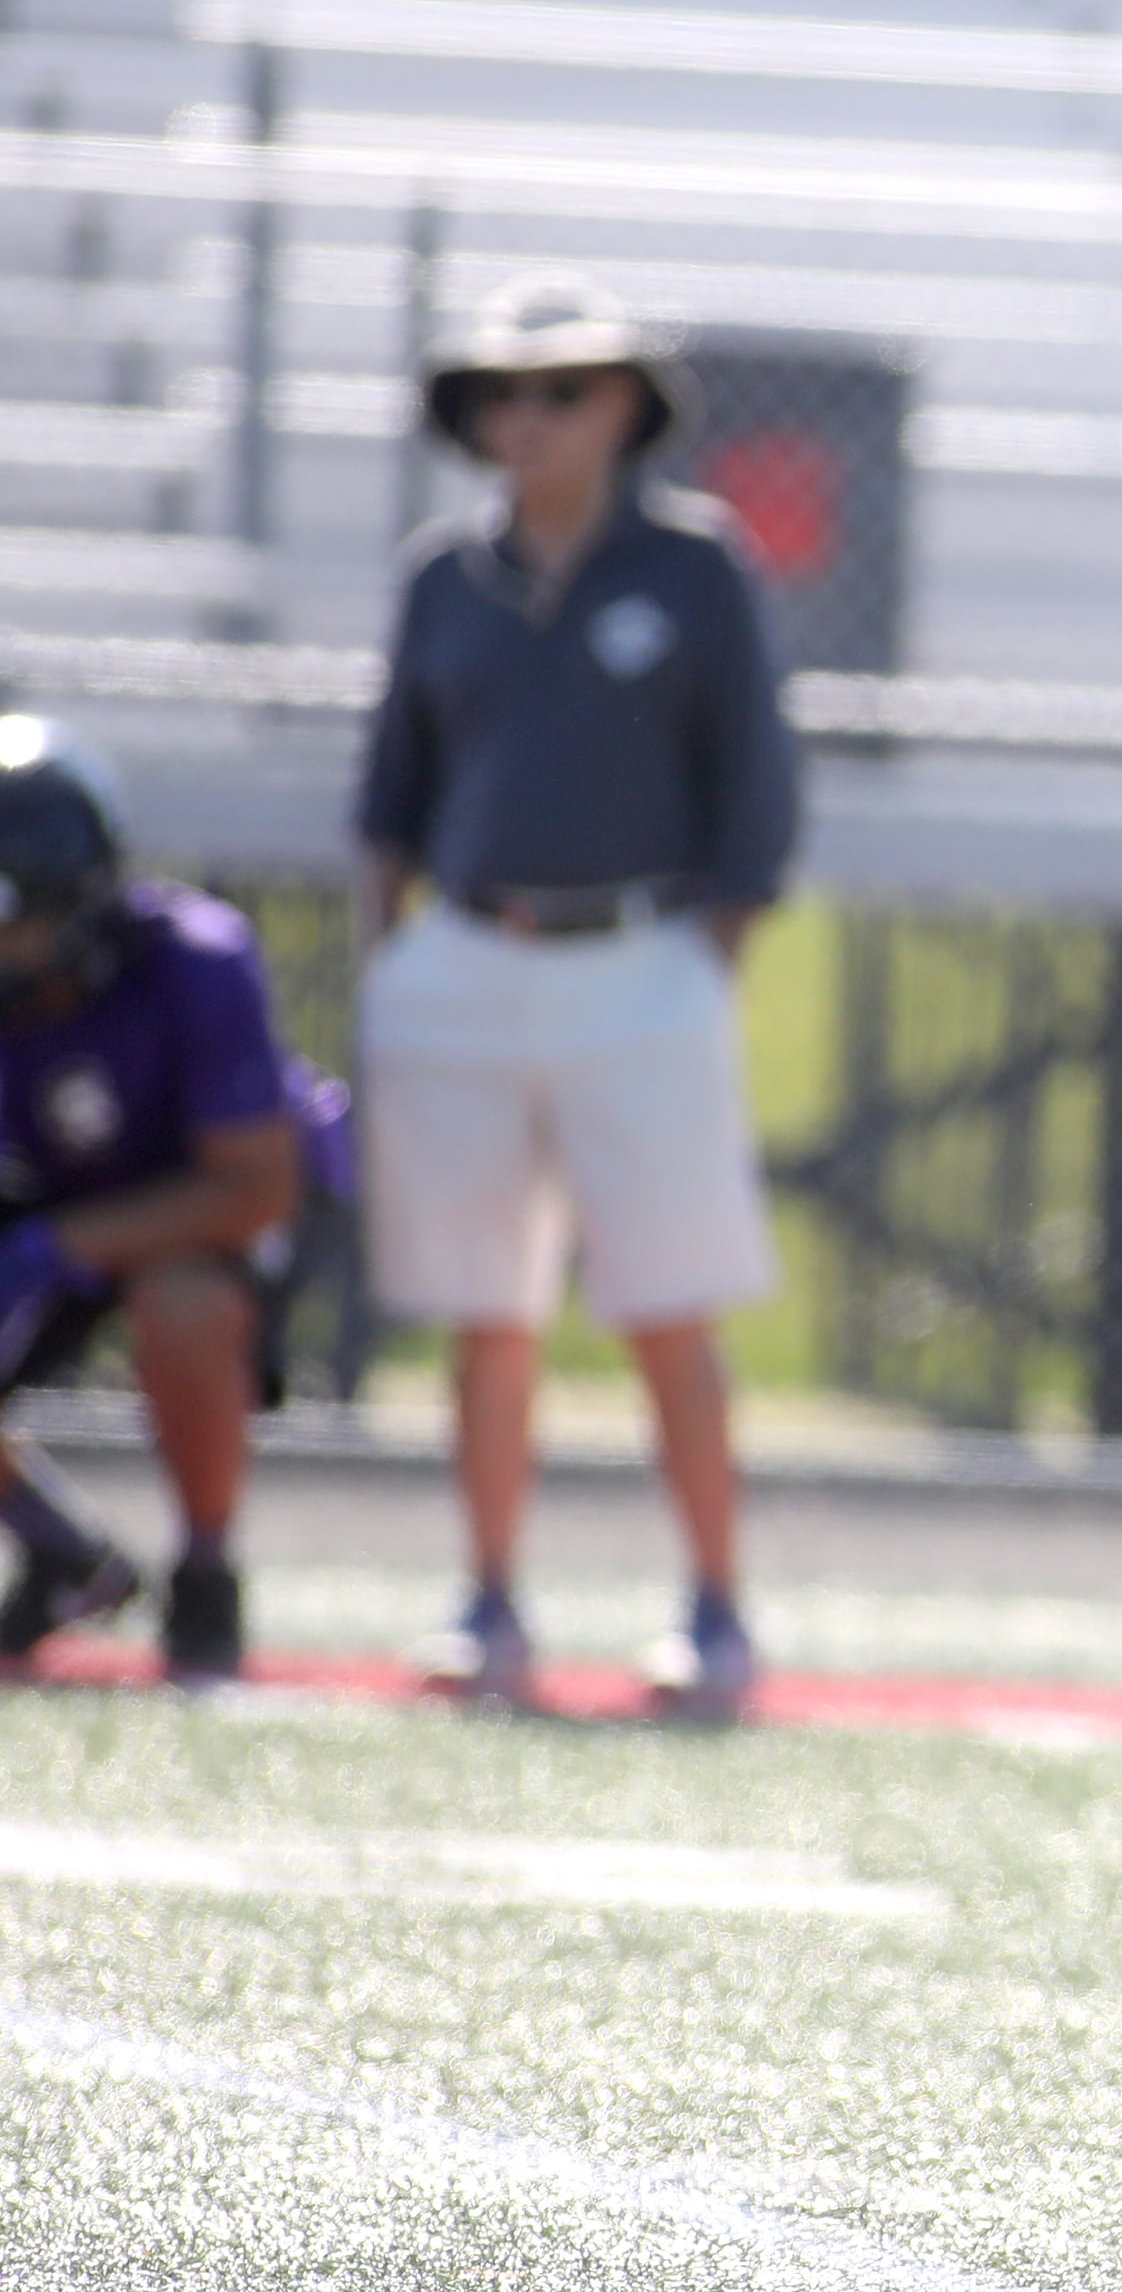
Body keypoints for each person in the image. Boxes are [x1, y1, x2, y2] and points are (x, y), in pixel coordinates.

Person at [354, 272, 800, 1728]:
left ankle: (717, 1606)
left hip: (640, 957)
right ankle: (488, 1598)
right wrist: (393, 961)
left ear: (623, 407)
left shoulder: (695, 569)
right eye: (503, 394)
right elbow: (392, 797)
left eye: (560, 391)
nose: (526, 419)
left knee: (671, 1306)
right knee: (490, 1314)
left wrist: (701, 963)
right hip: (470, 962)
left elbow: (755, 791)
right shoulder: (442, 575)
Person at [0, 723, 349, 1684]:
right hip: (60, 1200)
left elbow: (253, 1186)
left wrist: (55, 1242)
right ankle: (60, 1543)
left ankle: (206, 1569)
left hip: (207, 1213)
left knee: (183, 1303)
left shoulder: (195, 960)